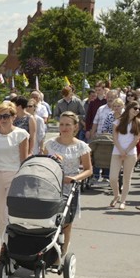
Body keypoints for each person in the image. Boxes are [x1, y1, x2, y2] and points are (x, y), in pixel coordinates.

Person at [42, 111, 92, 259]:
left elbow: (89, 170)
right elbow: (43, 163)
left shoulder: (81, 146)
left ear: (75, 127)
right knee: (48, 218)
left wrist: (75, 178)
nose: (64, 128)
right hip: (51, 185)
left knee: (66, 222)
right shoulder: (50, 144)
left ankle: (63, 252)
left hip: (70, 186)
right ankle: (47, 247)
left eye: (68, 125)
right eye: (62, 124)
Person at [0, 102, 29, 247]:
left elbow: (24, 159)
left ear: (13, 116)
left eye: (6, 116)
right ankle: (3, 245)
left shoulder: (21, 134)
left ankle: (15, 245)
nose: (3, 119)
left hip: (14, 175)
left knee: (9, 213)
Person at [109, 101, 140, 209]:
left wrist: (126, 151)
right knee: (113, 177)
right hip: (117, 151)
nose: (137, 111)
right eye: (135, 108)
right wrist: (121, 150)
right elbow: (114, 137)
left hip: (130, 153)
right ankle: (116, 196)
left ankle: (123, 200)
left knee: (127, 178)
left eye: (138, 109)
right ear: (129, 108)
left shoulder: (138, 122)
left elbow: (136, 139)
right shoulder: (118, 122)